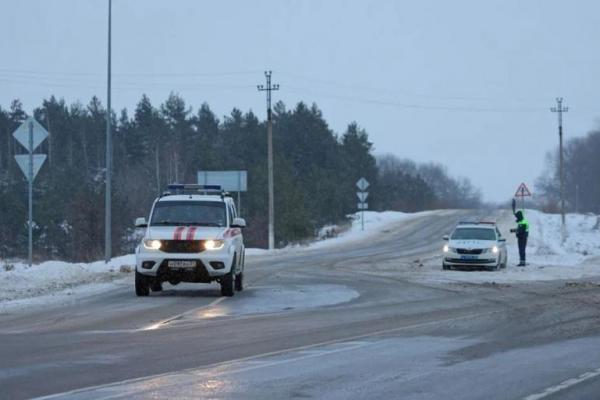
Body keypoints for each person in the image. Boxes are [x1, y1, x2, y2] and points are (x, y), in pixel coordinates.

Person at [511, 199, 529, 266]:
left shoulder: (523, 222)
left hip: (523, 238)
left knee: (522, 250)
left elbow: (521, 230)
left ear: (520, 217)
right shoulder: (521, 221)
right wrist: (513, 208)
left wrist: (515, 231)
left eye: (518, 217)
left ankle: (522, 262)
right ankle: (521, 261)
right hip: (521, 238)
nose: (517, 218)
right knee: (521, 250)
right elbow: (519, 229)